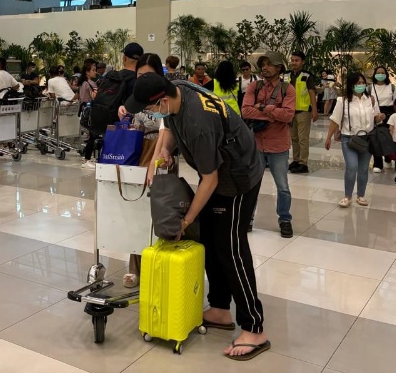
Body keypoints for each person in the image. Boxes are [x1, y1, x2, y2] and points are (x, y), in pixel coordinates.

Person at [126, 73, 269, 362]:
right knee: (212, 241)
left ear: (162, 100)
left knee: (231, 248)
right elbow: (167, 125)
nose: (151, 114)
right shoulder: (176, 90)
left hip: (237, 177)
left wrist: (187, 219)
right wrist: (163, 150)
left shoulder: (198, 124)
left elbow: (210, 179)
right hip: (221, 171)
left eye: (150, 109)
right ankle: (219, 307)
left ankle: (254, 328)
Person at [121, 53, 163, 289]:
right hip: (139, 155)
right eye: (140, 76)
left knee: (159, 214)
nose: (143, 80)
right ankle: (134, 267)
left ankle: (157, 263)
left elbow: (168, 132)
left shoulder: (167, 99)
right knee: (136, 213)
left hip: (160, 158)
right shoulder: (135, 97)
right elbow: (133, 123)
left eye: (148, 75)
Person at [241, 52, 295, 238]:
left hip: (278, 145)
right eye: (263, 64)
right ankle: (247, 218)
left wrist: (263, 108)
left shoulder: (287, 89)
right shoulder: (253, 87)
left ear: (279, 67)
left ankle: (285, 219)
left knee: (282, 186)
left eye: (270, 64)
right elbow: (246, 111)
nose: (265, 67)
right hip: (255, 144)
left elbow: (288, 115)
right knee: (251, 184)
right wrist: (273, 113)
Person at [325, 72, 385, 207]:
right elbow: (334, 120)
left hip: (368, 139)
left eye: (363, 82)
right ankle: (347, 196)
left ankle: (361, 195)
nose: (361, 85)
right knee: (352, 167)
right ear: (351, 85)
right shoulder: (343, 101)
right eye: (358, 83)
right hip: (349, 139)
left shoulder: (371, 99)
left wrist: (379, 117)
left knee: (363, 169)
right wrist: (328, 137)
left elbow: (375, 117)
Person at [84, 44, 143, 168]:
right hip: (130, 129)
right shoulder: (139, 80)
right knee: (128, 163)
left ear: (124, 58)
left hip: (108, 125)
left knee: (110, 159)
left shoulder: (112, 76)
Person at [286, 51, 318, 173]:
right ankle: (296, 159)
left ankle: (303, 163)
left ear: (302, 62)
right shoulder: (286, 75)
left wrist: (314, 110)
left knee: (302, 138)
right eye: (292, 60)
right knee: (293, 137)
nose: (294, 62)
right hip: (290, 111)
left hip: (303, 111)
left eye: (297, 60)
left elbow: (311, 92)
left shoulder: (307, 76)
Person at [370, 65, 396, 173]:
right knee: (375, 137)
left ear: (386, 75)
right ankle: (377, 163)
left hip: (390, 113)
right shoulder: (370, 87)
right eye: (378, 72)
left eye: (382, 73)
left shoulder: (391, 87)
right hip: (375, 113)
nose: (380, 75)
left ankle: (388, 157)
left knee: (388, 136)